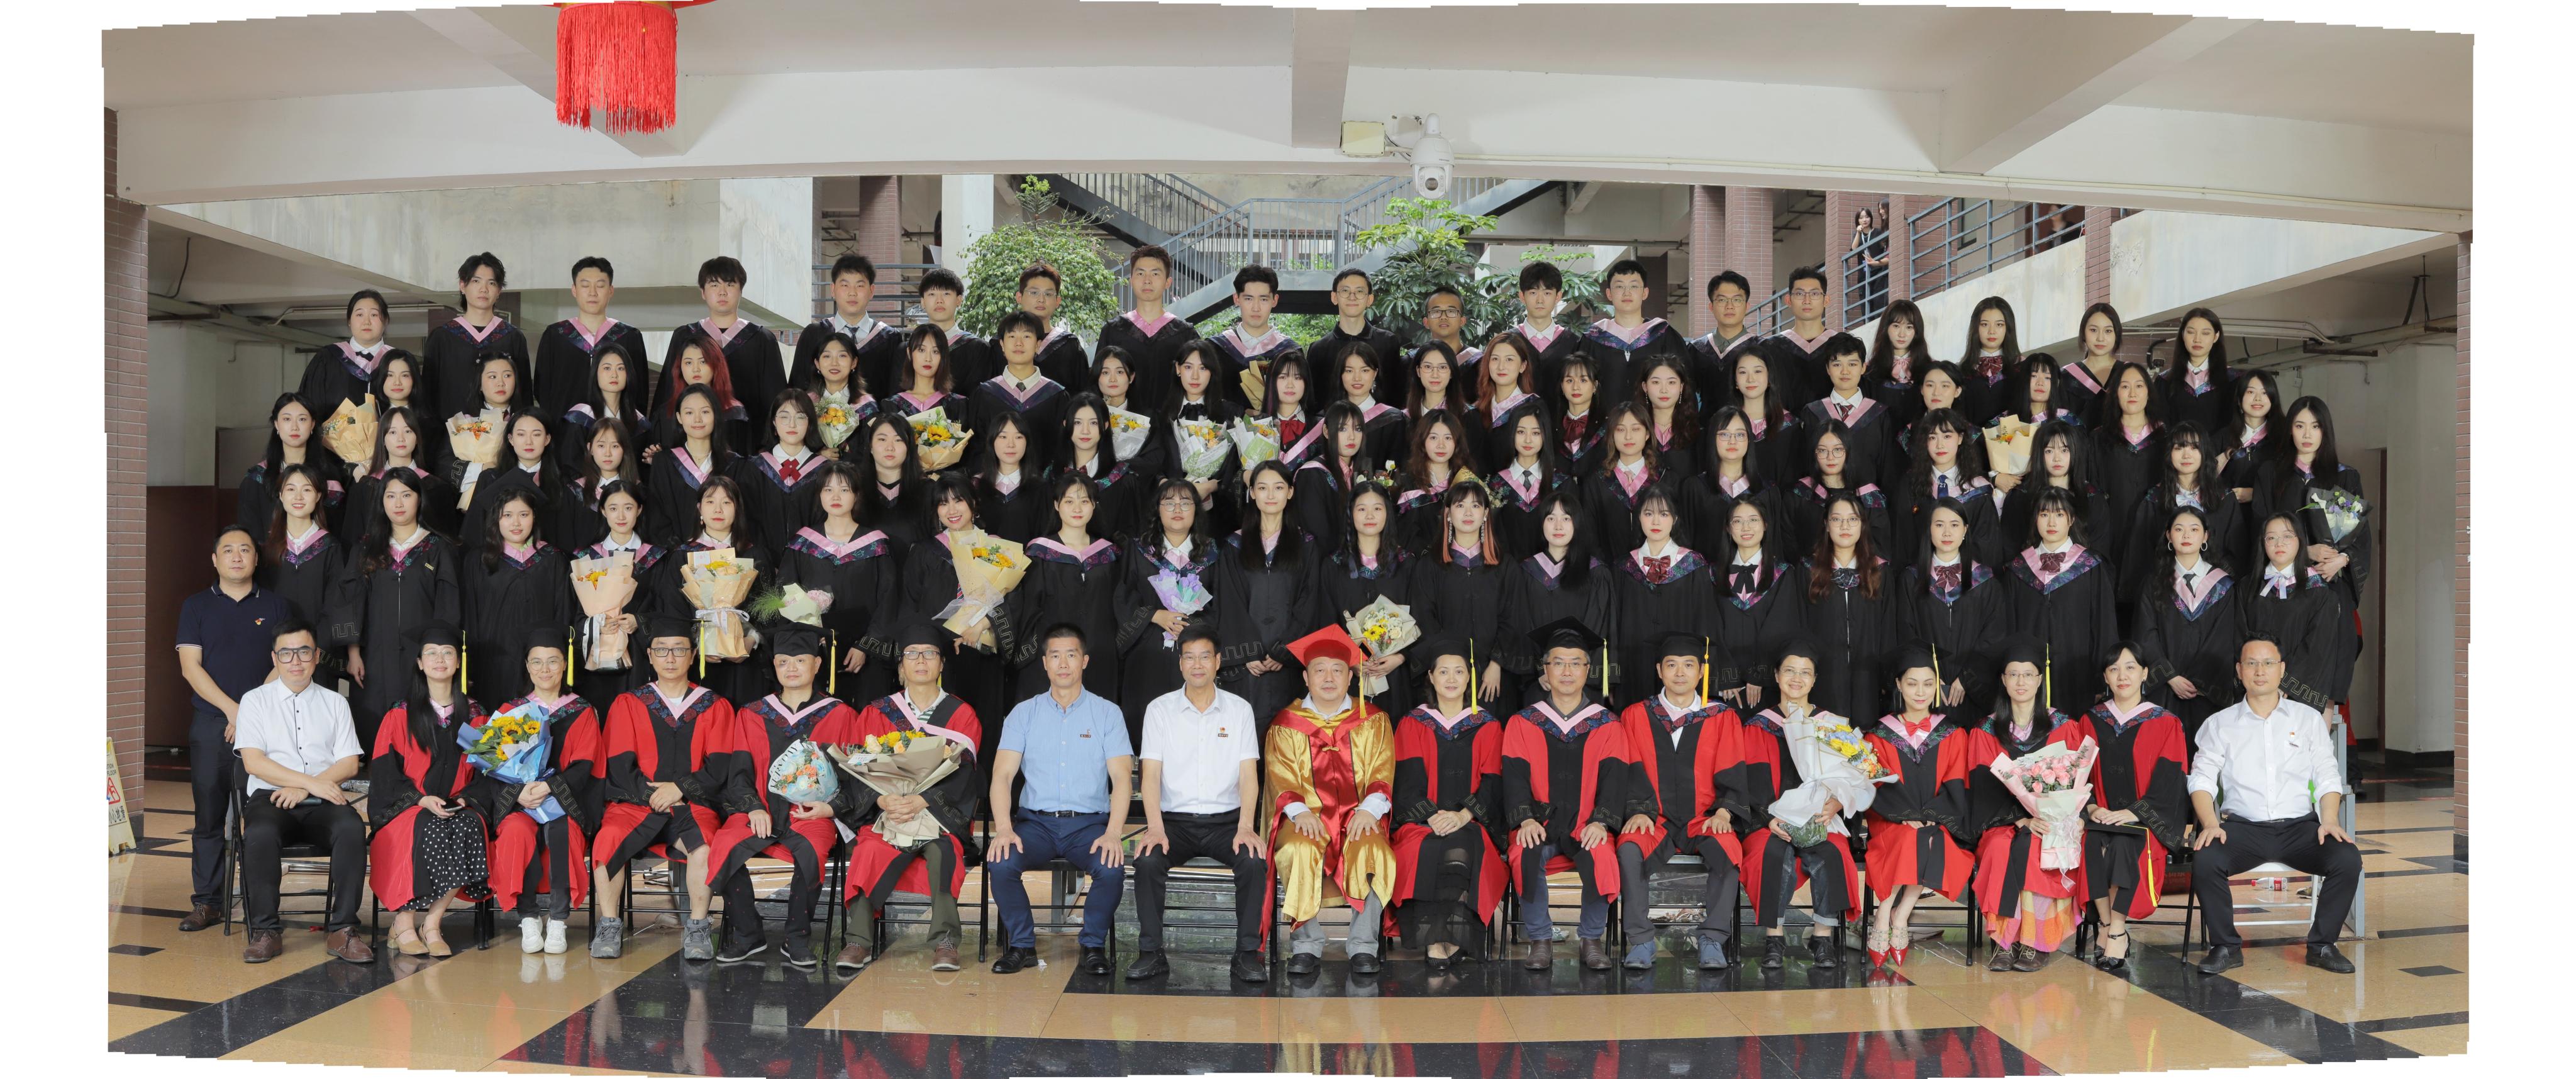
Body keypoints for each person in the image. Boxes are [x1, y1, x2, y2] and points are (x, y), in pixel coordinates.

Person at [2188, 635, 2362, 976]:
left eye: (2268, 663)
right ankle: (2225, 947)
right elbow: (2201, 780)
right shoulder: (2220, 724)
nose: (2260, 671)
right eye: (2251, 663)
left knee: (2347, 858)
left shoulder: (2307, 719)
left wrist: (2329, 820)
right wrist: (2210, 824)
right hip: (2242, 828)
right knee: (2206, 859)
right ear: (2239, 671)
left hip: (2301, 828)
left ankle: (2322, 945)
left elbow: (2327, 775)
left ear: (2282, 669)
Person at [832, 623, 985, 973]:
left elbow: (966, 774)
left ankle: (945, 941)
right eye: (912, 654)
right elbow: (858, 768)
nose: (921, 660)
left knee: (944, 852)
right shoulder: (877, 712)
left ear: (941, 663)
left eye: (930, 653)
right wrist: (882, 801)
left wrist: (923, 800)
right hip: (888, 814)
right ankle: (858, 940)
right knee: (868, 849)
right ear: (901, 665)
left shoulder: (961, 714)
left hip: (937, 815)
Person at [984, 624, 1134, 975]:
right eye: (1055, 656)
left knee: (1111, 868)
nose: (1063, 664)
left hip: (1089, 826)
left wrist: (1113, 833)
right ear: (1045, 663)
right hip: (1036, 824)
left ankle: (1092, 946)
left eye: (1071, 655)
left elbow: (1122, 779)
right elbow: (1002, 776)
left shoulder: (1107, 713)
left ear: (1085, 661)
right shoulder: (1023, 714)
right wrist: (1004, 829)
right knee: (1001, 862)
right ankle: (1022, 945)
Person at [1128, 625, 1270, 983]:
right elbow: (1150, 775)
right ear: (1180, 664)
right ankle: (1151, 953)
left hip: (1227, 824)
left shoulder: (1239, 710)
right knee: (1147, 861)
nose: (1197, 665)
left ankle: (1247, 954)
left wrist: (1247, 827)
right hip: (1174, 824)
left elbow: (1249, 775)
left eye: (1205, 657)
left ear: (1218, 661)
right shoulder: (1160, 710)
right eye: (1189, 657)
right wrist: (1155, 827)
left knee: (1253, 861)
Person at [706, 625, 851, 970]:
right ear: (774, 666)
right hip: (760, 810)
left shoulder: (840, 714)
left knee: (812, 852)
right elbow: (739, 772)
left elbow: (852, 776)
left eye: (800, 660)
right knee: (724, 845)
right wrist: (753, 807)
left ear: (817, 664)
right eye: (783, 661)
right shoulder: (752, 713)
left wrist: (828, 808)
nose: (791, 668)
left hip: (810, 813)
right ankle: (748, 934)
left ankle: (797, 938)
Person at [591, 614, 734, 961]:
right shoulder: (629, 703)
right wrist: (654, 795)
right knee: (608, 838)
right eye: (662, 650)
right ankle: (609, 924)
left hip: (692, 804)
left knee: (704, 847)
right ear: (650, 656)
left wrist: (680, 789)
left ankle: (697, 927)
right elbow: (619, 763)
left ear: (693, 655)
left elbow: (720, 767)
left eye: (679, 650)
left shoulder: (715, 706)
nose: (670, 658)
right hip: (635, 804)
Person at [231, 619, 372, 964]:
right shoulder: (254, 701)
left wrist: (307, 788)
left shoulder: (335, 703)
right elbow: (253, 762)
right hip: (271, 798)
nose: (296, 661)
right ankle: (266, 931)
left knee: (351, 827)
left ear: (317, 656)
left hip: (323, 800)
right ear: (275, 658)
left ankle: (343, 930)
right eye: (286, 653)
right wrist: (305, 783)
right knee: (260, 834)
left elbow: (350, 763)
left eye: (304, 652)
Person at [174, 528, 294, 933]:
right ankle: (207, 903)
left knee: (260, 816)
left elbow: (285, 662)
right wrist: (233, 711)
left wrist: (249, 714)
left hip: (265, 727)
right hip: (212, 725)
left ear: (256, 560)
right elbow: (190, 667)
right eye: (228, 550)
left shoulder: (277, 606)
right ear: (215, 560)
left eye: (245, 550)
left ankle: (261, 905)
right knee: (208, 817)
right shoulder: (196, 606)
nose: (237, 556)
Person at [1501, 618, 1636, 971]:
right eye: (1558, 663)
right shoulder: (1523, 722)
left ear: (1588, 670)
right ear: (1545, 670)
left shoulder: (1607, 724)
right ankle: (1540, 940)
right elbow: (1514, 778)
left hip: (1586, 823)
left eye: (1576, 663)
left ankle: (1591, 940)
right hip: (1539, 823)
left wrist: (1601, 822)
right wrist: (1525, 819)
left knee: (1602, 854)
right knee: (1525, 852)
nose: (1567, 671)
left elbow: (1615, 780)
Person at [1267, 625, 1401, 976]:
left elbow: (1382, 770)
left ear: (1350, 676)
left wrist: (1369, 811)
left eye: (1338, 670)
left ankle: (1363, 946)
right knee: (1297, 848)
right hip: (1306, 818)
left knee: (1374, 849)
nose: (1329, 678)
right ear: (1306, 677)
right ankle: (1306, 945)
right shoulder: (1286, 724)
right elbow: (1281, 776)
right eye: (1320, 670)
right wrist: (1299, 812)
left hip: (1359, 816)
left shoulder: (1373, 720)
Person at [1724, 641, 1866, 970]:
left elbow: (1853, 778)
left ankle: (1822, 937)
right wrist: (1766, 819)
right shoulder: (1758, 725)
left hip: (1820, 818)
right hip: (1771, 820)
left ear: (1815, 680)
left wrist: (1836, 803)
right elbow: (1748, 780)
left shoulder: (1832, 726)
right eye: (1789, 671)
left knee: (1835, 853)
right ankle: (1774, 939)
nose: (1797, 678)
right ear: (1777, 676)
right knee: (1769, 854)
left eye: (1805, 673)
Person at [1616, 634, 1747, 970]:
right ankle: (1641, 941)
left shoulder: (1721, 716)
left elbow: (1733, 767)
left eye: (1688, 665)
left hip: (1702, 818)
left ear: (1701, 672)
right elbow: (1628, 768)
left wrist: (1724, 812)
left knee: (1729, 850)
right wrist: (1638, 810)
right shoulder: (1635, 715)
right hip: (1654, 818)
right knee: (1629, 849)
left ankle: (1712, 938)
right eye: (1671, 665)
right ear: (1659, 670)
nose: (1679, 673)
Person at [1962, 639, 2087, 971]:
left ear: (2039, 680)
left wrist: (2057, 816)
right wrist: (2019, 821)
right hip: (2001, 823)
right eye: (2014, 674)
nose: (2021, 682)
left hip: (2051, 821)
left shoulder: (2064, 726)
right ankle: (2004, 941)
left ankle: (2034, 941)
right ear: (2003, 680)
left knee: (2037, 847)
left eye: (2028, 674)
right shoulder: (1985, 731)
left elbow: (2075, 781)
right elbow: (1982, 789)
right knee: (2000, 848)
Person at [369, 622, 491, 958]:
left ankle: (433, 923)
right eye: (432, 654)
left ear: (458, 662)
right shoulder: (400, 714)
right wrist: (420, 799)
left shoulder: (478, 716)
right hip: (409, 806)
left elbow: (489, 774)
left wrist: (465, 799)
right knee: (427, 826)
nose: (440, 659)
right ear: (420, 663)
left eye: (448, 653)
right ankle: (403, 922)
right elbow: (384, 773)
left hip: (457, 804)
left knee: (469, 825)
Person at [2070, 641, 2190, 973]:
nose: (2122, 676)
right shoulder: (2090, 721)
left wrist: (2136, 812)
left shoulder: (2166, 723)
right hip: (2099, 816)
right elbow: (2076, 773)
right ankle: (2108, 925)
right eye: (2114, 669)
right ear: (2105, 677)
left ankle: (2116, 929)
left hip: (2145, 822)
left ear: (2145, 674)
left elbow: (2171, 781)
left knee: (2124, 843)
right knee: (2092, 842)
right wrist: (2091, 808)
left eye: (2130, 668)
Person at [1387, 636, 1507, 970]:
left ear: (1470, 677)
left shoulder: (1488, 726)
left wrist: (1464, 815)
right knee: (1424, 847)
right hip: (1421, 822)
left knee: (1462, 846)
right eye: (1443, 672)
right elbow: (1407, 781)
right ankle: (1436, 940)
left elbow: (1493, 781)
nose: (1451, 679)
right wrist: (1433, 816)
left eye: (1459, 671)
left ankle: (1446, 936)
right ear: (1431, 677)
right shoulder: (1413, 723)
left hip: (1471, 821)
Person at [1857, 650, 1977, 971]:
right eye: (1912, 684)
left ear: (1937, 686)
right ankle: (1890, 914)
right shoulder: (1877, 735)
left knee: (1927, 836)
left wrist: (1929, 816)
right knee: (1913, 837)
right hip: (1890, 821)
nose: (1920, 692)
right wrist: (1904, 815)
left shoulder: (1953, 733)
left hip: (1937, 820)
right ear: (1899, 685)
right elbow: (1874, 785)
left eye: (1928, 684)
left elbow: (1956, 782)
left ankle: (1895, 914)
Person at [480, 640, 602, 956]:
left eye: (552, 661)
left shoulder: (582, 710)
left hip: (563, 801)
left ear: (565, 665)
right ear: (527, 667)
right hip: (520, 802)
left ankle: (559, 920)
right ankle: (529, 918)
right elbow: (491, 766)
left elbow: (585, 766)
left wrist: (549, 788)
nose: (544, 669)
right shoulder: (512, 710)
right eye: (537, 662)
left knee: (563, 832)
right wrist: (518, 793)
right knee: (516, 832)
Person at [330, 469, 464, 747]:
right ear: (382, 502)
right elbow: (350, 602)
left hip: (423, 656)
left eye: (406, 495)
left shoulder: (437, 548)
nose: (398, 503)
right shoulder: (366, 548)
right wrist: (353, 653)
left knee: (422, 723)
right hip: (374, 654)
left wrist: (440, 656)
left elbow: (448, 608)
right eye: (390, 496)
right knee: (375, 724)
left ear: (419, 499)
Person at [777, 461, 902, 705]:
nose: (836, 497)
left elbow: (888, 601)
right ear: (820, 495)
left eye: (844, 490)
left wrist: (865, 647)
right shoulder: (802, 544)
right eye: (828, 489)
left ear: (856, 495)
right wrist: (812, 639)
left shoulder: (877, 545)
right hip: (815, 653)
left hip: (865, 655)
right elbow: (786, 594)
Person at [1209, 461, 1321, 724]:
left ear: (1290, 492)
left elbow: (1309, 601)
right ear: (1252, 493)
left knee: (1290, 732)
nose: (1270, 495)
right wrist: (1248, 653)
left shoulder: (1306, 545)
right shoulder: (1234, 546)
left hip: (1288, 663)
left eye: (1278, 488)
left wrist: (1285, 651)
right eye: (1262, 488)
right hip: (1250, 667)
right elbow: (1229, 602)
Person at [2002, 486, 2121, 715]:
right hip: (2027, 678)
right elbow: (2009, 628)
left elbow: (2103, 626)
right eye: (2044, 514)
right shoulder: (2019, 569)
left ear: (2072, 520)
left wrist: (2101, 679)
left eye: (2059, 514)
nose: (2051, 522)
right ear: (2035, 519)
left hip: (2079, 674)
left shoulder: (2091, 566)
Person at [2132, 505, 2243, 744]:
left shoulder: (2223, 585)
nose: (2186, 535)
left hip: (2206, 693)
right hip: (2165, 689)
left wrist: (2199, 682)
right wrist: (2171, 676)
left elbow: (2224, 637)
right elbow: (2145, 633)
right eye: (2179, 529)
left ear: (2205, 537)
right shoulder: (2154, 582)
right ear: (2168, 535)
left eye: (2194, 529)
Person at [1117, 479, 1218, 739]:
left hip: (1194, 656)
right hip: (1147, 654)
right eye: (1169, 503)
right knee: (1147, 726)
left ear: (1196, 509)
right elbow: (1122, 596)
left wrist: (1192, 626)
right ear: (1158, 510)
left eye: (1185, 503)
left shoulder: (1212, 553)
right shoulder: (1138, 550)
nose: (1178, 509)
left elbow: (1222, 603)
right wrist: (1153, 615)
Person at [1010, 475, 1126, 700]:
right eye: (1069, 501)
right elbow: (1028, 607)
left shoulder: (1109, 554)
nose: (1077, 508)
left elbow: (1119, 604)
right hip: (1051, 654)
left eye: (1085, 501)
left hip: (1099, 652)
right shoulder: (1039, 552)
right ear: (1057, 505)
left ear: (1094, 505)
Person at [1497, 491, 1611, 708]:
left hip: (1582, 683)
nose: (1558, 526)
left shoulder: (1596, 573)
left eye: (1566, 519)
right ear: (1542, 524)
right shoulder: (1527, 571)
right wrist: (1541, 669)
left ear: (1577, 523)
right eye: (1551, 518)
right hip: (1540, 682)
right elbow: (1520, 623)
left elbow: (1599, 628)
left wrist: (1576, 670)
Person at [660, 257, 789, 442]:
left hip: (748, 442)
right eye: (714, 285)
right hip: (688, 442)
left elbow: (775, 399)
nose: (722, 292)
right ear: (703, 292)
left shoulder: (761, 339)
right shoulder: (685, 336)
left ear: (741, 291)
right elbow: (669, 392)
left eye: (730, 285)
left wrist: (768, 446)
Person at [1323, 484, 1424, 717]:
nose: (1370, 516)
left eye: (1377, 508)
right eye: (1362, 509)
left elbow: (1421, 617)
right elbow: (1326, 619)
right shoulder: (1333, 566)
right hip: (1347, 674)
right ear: (1350, 514)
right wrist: (1350, 658)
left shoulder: (1406, 564)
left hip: (1395, 674)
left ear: (1388, 513)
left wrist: (1401, 657)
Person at [1611, 484, 1717, 707]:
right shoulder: (1624, 567)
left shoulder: (1693, 565)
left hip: (1681, 670)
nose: (1656, 522)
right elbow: (1614, 624)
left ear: (1675, 518)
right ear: (1639, 517)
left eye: (1664, 514)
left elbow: (1705, 621)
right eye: (1649, 514)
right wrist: (1613, 678)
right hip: (1634, 666)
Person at [1896, 500, 2006, 710]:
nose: (1947, 532)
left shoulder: (1986, 581)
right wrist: (1928, 677)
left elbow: (1994, 636)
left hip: (1974, 693)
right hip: (1925, 691)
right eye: (1939, 525)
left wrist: (1967, 678)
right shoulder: (1911, 579)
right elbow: (1906, 631)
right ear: (1929, 529)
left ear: (1965, 530)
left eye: (1954, 525)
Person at [1800, 491, 1896, 721]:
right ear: (1826, 524)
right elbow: (1800, 624)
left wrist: (1887, 678)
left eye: (1853, 519)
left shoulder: (1879, 571)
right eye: (1837, 519)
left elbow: (1888, 627)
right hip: (1823, 676)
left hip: (1868, 678)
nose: (1845, 526)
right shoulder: (1808, 571)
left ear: (1863, 524)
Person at [533, 257, 653, 422]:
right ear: (574, 290)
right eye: (585, 286)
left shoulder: (629, 336)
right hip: (564, 431)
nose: (592, 293)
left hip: (617, 432)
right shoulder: (556, 336)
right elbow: (543, 390)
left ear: (611, 291)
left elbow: (639, 393)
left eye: (600, 286)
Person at [1713, 500, 1801, 715]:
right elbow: (1710, 624)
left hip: (1767, 684)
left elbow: (1781, 627)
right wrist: (1727, 675)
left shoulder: (1783, 574)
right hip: (1725, 684)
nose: (1746, 528)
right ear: (1728, 528)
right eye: (1737, 521)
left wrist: (1758, 676)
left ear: (1765, 525)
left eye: (1753, 520)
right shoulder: (1712, 574)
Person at [1094, 245, 1204, 411]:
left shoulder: (1185, 334)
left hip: (1173, 423)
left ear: (1168, 282)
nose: (1147, 280)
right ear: (1131, 280)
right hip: (1122, 423)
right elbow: (1096, 383)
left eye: (1155, 274)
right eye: (1140, 274)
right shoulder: (1113, 331)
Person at [425, 253, 532, 423]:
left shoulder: (513, 337)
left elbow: (524, 395)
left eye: (492, 283)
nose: (484, 289)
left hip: (503, 434)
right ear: (463, 285)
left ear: (499, 291)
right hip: (451, 436)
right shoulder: (442, 338)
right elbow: (428, 397)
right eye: (476, 281)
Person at [967, 310, 1073, 476]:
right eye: (1012, 336)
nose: (1018, 343)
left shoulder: (1056, 395)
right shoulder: (984, 394)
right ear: (1002, 345)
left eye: (1026, 336)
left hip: (1043, 487)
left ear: (1038, 345)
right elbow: (975, 449)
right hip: (993, 486)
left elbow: (1062, 450)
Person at [1578, 258, 1688, 415]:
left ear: (1645, 293)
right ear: (1609, 294)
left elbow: (1685, 383)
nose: (1627, 292)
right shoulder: (1594, 337)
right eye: (1619, 286)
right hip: (1604, 425)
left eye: (1634, 286)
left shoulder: (1663, 334)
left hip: (1653, 425)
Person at [239, 393, 347, 542]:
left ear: (312, 424)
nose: (295, 427)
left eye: (302, 419)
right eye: (287, 419)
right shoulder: (257, 479)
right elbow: (249, 534)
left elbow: (339, 530)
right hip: (270, 555)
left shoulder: (330, 477)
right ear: (277, 424)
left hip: (321, 556)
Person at [796, 254, 904, 400]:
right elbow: (798, 387)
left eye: (860, 286)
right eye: (845, 285)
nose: (852, 293)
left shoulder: (890, 339)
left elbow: (896, 394)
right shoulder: (813, 334)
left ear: (872, 291)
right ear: (833, 290)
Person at [1799, 333, 1900, 488]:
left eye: (1852, 364)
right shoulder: (1812, 413)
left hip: (1868, 501)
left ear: (1863, 368)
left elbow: (1887, 470)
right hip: (1823, 500)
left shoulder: (1879, 415)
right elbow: (1807, 466)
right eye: (1837, 365)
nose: (1845, 372)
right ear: (1828, 369)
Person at [728, 390, 824, 545]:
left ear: (810, 423)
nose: (792, 424)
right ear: (774, 422)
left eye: (800, 417)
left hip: (811, 557)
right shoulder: (754, 469)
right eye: (784, 417)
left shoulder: (824, 470)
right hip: (762, 557)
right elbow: (746, 522)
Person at [1208, 264, 1300, 411]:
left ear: (1275, 300)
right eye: (1248, 299)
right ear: (1237, 299)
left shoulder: (1290, 352)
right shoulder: (1215, 348)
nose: (1256, 308)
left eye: (1263, 299)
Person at [297, 289, 400, 415]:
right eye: (359, 315)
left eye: (374, 315)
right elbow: (308, 409)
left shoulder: (399, 361)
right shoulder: (327, 358)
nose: (367, 322)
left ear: (386, 320)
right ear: (349, 321)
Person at [1312, 269, 1404, 408]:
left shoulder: (1388, 342)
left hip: (1382, 421)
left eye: (1360, 292)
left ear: (1369, 299)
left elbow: (1395, 396)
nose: (1352, 297)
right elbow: (1315, 403)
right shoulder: (1319, 349)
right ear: (1334, 297)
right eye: (1345, 291)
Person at [1509, 262, 1584, 412]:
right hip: (1516, 423)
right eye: (1533, 293)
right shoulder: (1508, 342)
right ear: (1522, 296)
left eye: (1547, 293)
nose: (1540, 300)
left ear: (1558, 296)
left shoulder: (1573, 342)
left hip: (1562, 423)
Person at [1760, 266, 1836, 408]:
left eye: (1815, 294)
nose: (1807, 300)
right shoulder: (1770, 348)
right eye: (1800, 294)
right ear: (1788, 300)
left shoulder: (1841, 345)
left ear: (1826, 300)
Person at [1016, 263, 1092, 396]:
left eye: (1048, 294)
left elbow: (1082, 397)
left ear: (1058, 301)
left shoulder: (1070, 346)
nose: (1041, 299)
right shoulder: (1002, 344)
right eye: (1034, 293)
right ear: (1019, 297)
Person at [2160, 308, 2236, 436]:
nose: (2197, 339)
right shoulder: (2165, 381)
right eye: (2191, 332)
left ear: (2216, 337)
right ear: (2183, 335)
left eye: (2205, 333)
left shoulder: (2233, 380)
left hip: (2220, 449)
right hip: (2177, 448)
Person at [1686, 271, 1760, 395]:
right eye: (1722, 300)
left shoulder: (1763, 348)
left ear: (1747, 306)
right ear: (1711, 306)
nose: (1729, 306)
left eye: (1737, 300)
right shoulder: (1695, 350)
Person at [1957, 296, 2023, 425]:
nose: (1992, 331)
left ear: (2008, 328)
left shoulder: (2023, 368)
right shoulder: (1960, 372)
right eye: (1985, 324)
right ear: (1976, 328)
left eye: (1999, 325)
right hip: (1970, 437)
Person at [2057, 304, 2125, 424]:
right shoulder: (2066, 376)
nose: (2100, 338)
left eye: (2108, 331)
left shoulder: (2129, 374)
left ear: (2117, 334)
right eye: (2093, 330)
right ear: (2083, 333)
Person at [1852, 208, 1890, 321]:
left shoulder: (1878, 232)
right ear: (1858, 220)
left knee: (1878, 300)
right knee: (1866, 303)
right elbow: (1854, 249)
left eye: (1867, 217)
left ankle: (1879, 322)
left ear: (1871, 218)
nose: (1865, 220)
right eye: (1861, 218)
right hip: (1864, 274)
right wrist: (1858, 232)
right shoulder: (1857, 235)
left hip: (1878, 272)